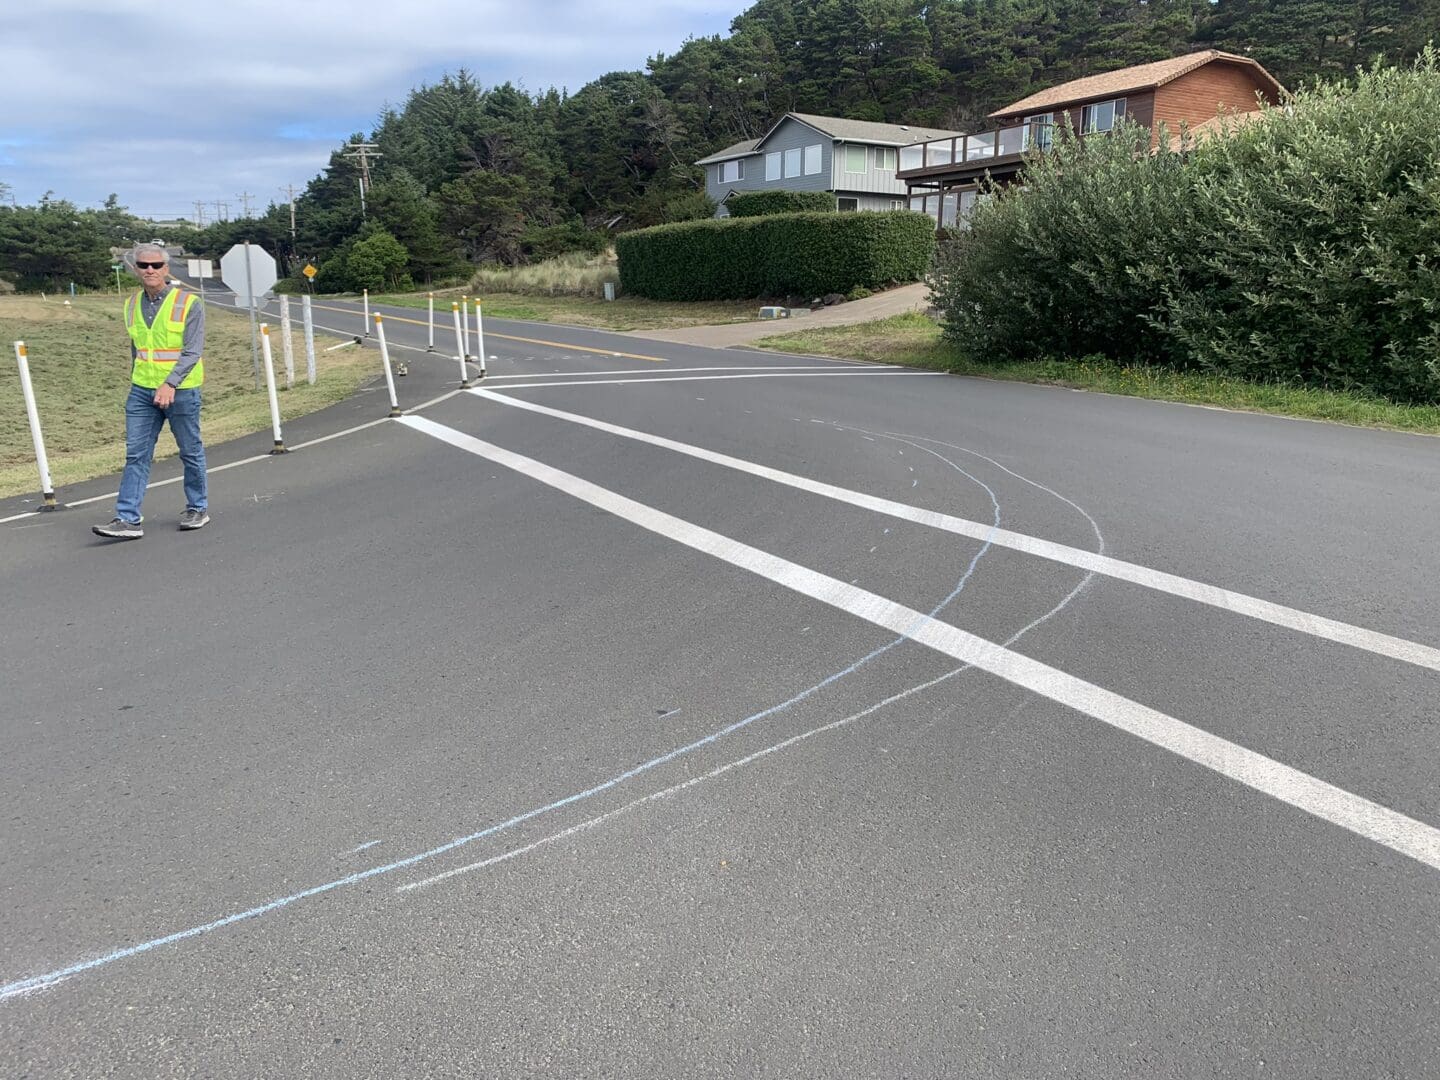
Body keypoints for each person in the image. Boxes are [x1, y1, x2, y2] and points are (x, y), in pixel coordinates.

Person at [93, 244, 210, 539]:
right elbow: (138, 348)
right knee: (136, 454)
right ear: (135, 269)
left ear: (166, 269)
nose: (150, 270)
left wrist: (170, 384)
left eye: (156, 265)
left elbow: (192, 350)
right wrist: (140, 381)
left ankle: (197, 507)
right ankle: (127, 518)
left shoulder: (188, 303)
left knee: (190, 451)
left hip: (181, 390)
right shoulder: (131, 304)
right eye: (144, 265)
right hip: (142, 392)